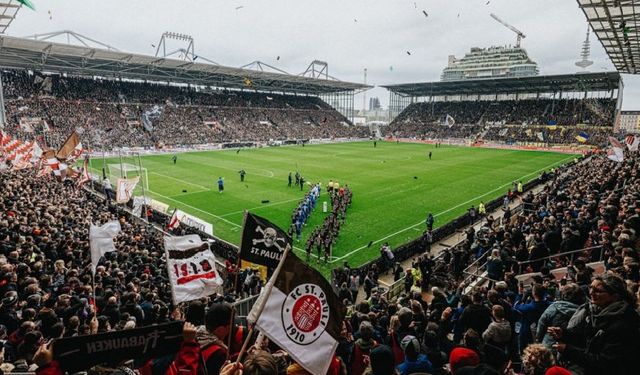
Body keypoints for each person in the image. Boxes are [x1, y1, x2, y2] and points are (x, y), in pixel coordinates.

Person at [549, 274, 640, 375]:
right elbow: (589, 340)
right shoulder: (596, 312)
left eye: (598, 291)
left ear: (615, 296)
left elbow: (606, 363)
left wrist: (568, 350)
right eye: (591, 288)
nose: (591, 293)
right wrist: (564, 334)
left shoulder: (624, 322)